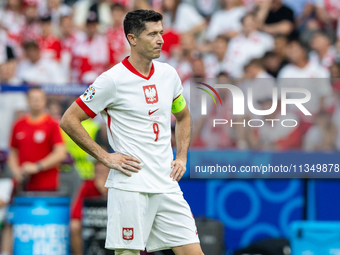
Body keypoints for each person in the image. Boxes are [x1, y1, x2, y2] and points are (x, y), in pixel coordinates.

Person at [60, 9, 203, 255]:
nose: (160, 40)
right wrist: (105, 157)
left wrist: (181, 156)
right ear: (132, 38)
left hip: (167, 184)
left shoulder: (169, 74)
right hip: (130, 185)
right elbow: (69, 119)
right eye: (152, 34)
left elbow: (183, 116)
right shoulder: (111, 80)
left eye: (161, 33)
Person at [1, 87, 66, 255]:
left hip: (47, 187)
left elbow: (60, 152)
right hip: (22, 186)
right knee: (11, 220)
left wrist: (37, 166)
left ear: (44, 101)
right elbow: (12, 152)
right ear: (28, 101)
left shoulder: (51, 124)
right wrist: (16, 171)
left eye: (39, 98)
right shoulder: (18, 125)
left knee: (43, 224)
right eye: (33, 98)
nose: (36, 102)